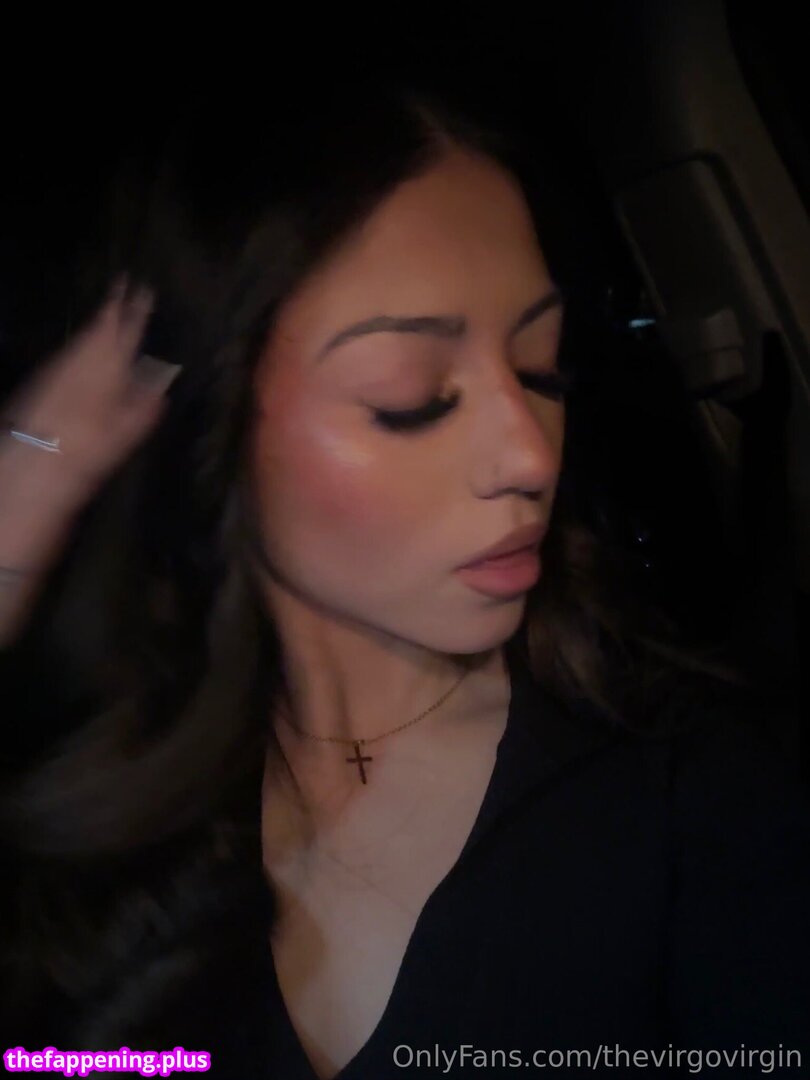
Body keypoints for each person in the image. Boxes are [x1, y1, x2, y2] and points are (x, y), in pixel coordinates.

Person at [1, 68, 808, 1079]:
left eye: (542, 368)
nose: (530, 455)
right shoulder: (85, 797)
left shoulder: (695, 791)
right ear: (211, 424)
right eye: (411, 397)